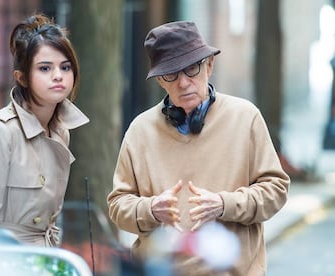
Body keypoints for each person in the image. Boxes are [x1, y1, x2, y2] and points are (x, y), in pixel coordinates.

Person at [107, 21, 290, 275]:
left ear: (209, 66)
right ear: (161, 80)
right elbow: (118, 205)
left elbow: (276, 190)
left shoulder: (246, 117)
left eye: (192, 69)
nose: (183, 83)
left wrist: (224, 204)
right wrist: (150, 210)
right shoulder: (140, 130)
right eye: (171, 74)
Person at [0, 14, 89, 247]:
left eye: (65, 67)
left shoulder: (60, 131)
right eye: (45, 68)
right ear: (22, 78)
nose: (58, 75)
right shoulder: (0, 132)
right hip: (6, 262)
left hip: (44, 259)